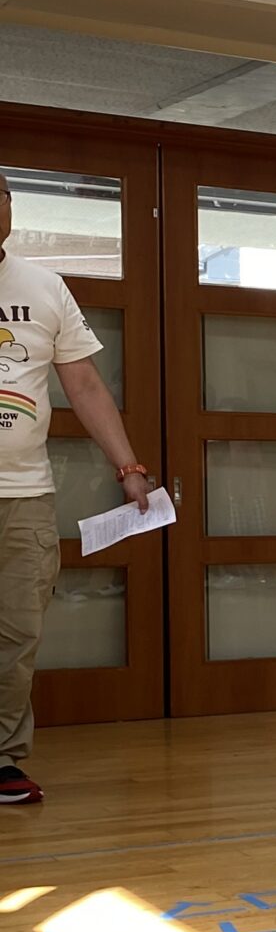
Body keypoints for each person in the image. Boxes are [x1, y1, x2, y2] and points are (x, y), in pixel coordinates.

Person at [0, 177, 151, 803]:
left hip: (24, 494)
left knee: (17, 633)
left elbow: (84, 385)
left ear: (9, 208)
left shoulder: (44, 287)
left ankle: (1, 759)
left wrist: (128, 466)